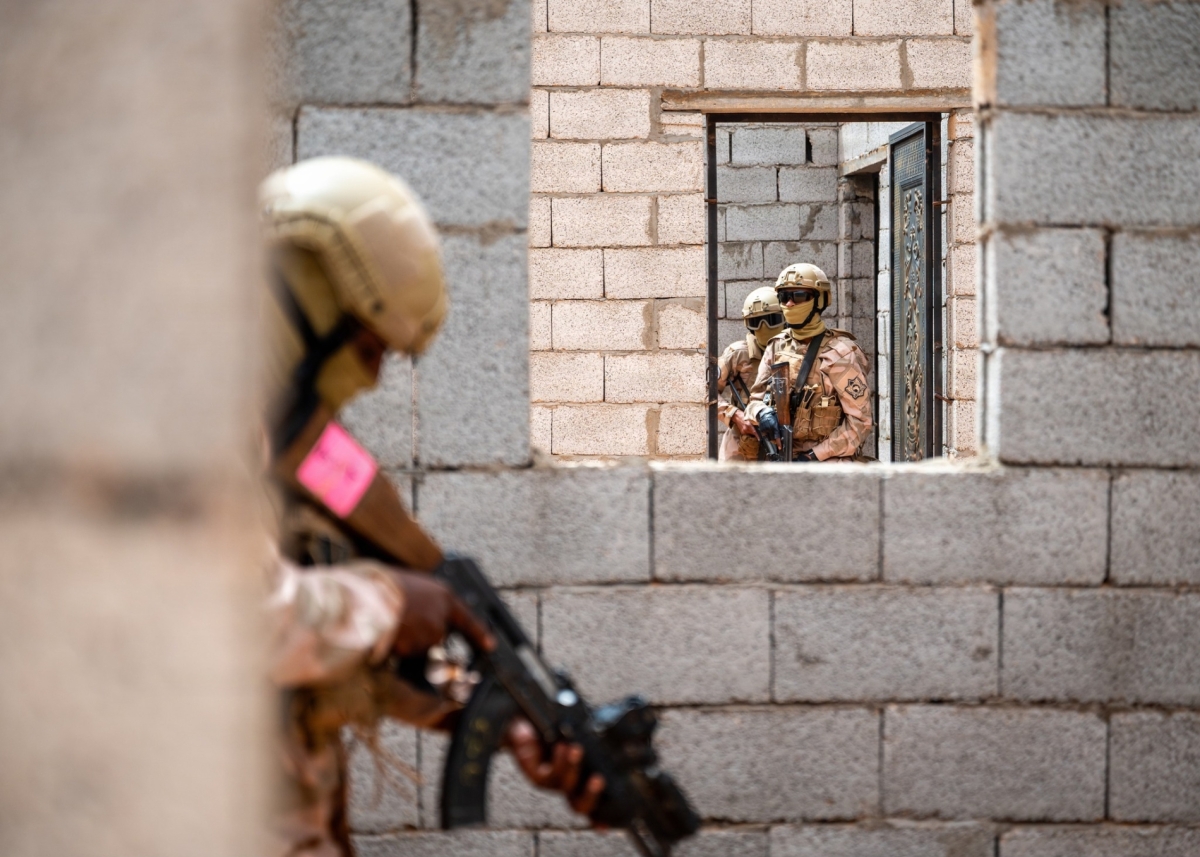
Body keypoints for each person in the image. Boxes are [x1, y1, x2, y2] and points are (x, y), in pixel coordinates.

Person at [259, 156, 601, 857]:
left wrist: (502, 717)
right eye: (366, 346)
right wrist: (390, 600)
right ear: (309, 301)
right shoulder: (172, 429)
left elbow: (319, 642)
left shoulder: (293, 444)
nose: (374, 377)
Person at [745, 263, 873, 462]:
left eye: (798, 296)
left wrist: (813, 456)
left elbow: (860, 424)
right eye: (784, 297)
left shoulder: (839, 352)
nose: (789, 304)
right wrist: (762, 413)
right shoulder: (777, 346)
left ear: (820, 300)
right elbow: (754, 400)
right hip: (782, 459)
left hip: (829, 464)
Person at [716, 286, 784, 461]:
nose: (764, 327)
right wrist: (735, 416)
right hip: (742, 446)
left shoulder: (797, 353)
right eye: (756, 321)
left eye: (771, 319)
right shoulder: (738, 354)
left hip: (782, 443)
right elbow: (705, 391)